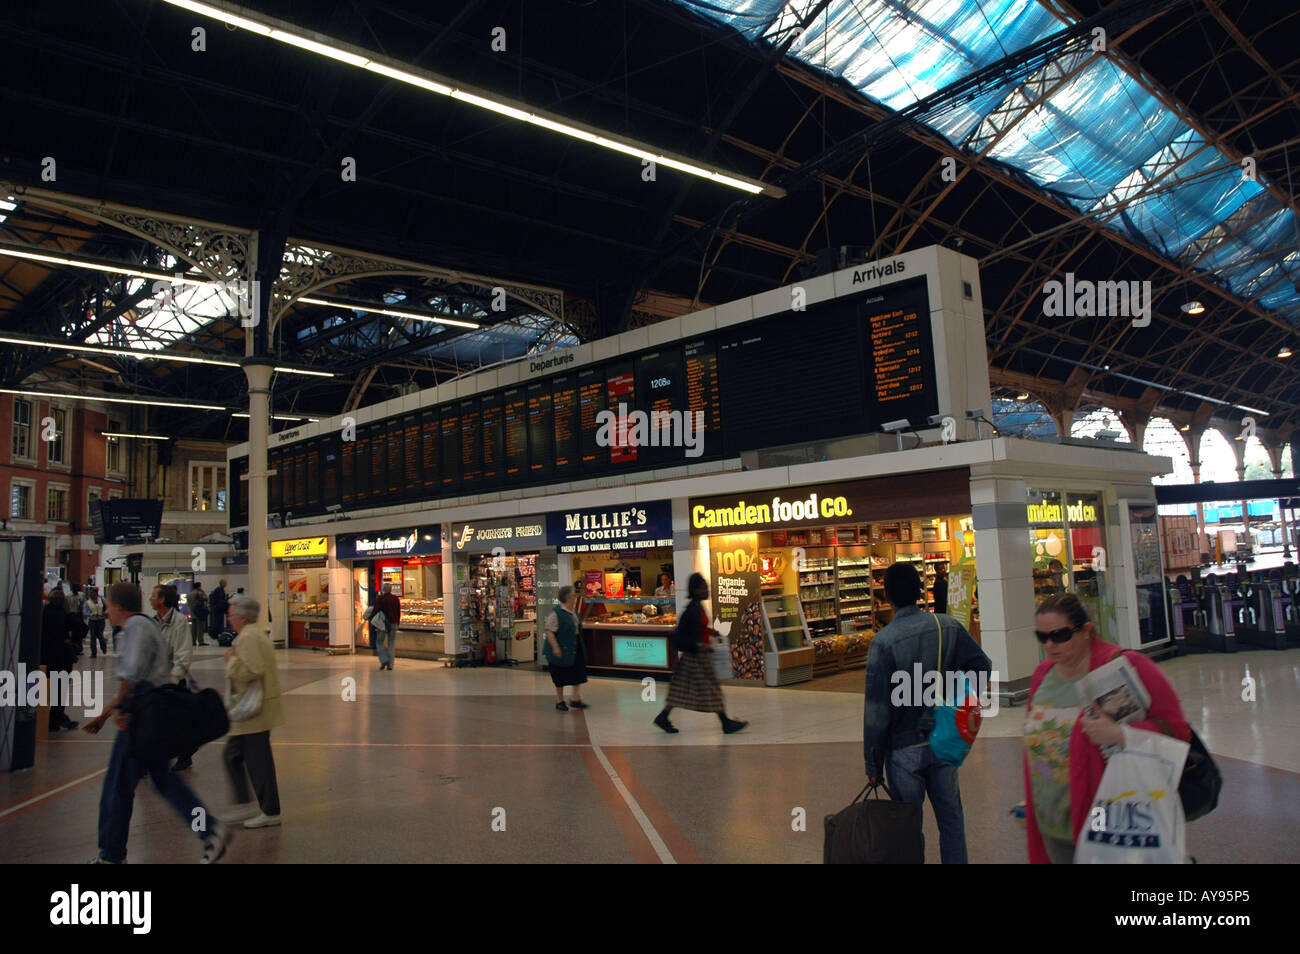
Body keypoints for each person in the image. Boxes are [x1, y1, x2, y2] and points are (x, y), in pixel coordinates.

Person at [1023, 592, 1190, 864]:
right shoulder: (1043, 675)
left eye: (1060, 635)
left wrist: (1121, 736)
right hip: (1051, 821)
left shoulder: (1124, 665)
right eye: (1043, 638)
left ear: (1086, 630)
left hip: (1111, 818)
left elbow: (1177, 730)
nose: (1050, 645)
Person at [83, 582, 232, 864]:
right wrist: (105, 714)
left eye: (109, 605)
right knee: (161, 780)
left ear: (119, 607)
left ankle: (112, 855)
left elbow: (133, 675)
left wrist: (119, 709)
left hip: (140, 713)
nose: (106, 611)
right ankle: (210, 831)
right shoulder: (143, 625)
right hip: (144, 710)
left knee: (118, 786)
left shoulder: (136, 628)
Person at [864, 562, 991, 864]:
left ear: (887, 596)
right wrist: (954, 700)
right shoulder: (946, 626)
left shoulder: (882, 643)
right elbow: (981, 667)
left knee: (908, 828)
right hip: (943, 741)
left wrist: (873, 762)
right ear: (920, 591)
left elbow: (877, 712)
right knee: (951, 821)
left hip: (903, 749)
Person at [654, 573, 747, 735]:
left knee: (680, 689)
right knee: (711, 688)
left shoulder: (697, 607)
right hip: (696, 656)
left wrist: (712, 632)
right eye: (703, 588)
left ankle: (663, 717)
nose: (707, 591)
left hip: (696, 655)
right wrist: (699, 646)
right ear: (696, 590)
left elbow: (699, 628)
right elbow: (683, 633)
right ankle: (725, 723)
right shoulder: (692, 609)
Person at [223, 594, 283, 829]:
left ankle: (269, 810)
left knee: (258, 762)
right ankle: (246, 803)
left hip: (254, 711)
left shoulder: (248, 637)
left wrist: (231, 661)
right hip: (254, 710)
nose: (229, 619)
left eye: (232, 615)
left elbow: (252, 669)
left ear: (243, 616)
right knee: (233, 755)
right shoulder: (254, 633)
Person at [542, 586, 587, 711]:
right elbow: (549, 631)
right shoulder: (556, 613)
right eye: (573, 595)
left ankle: (575, 698)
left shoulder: (573, 611)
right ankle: (560, 701)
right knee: (559, 674)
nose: (575, 597)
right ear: (568, 597)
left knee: (578, 671)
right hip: (561, 647)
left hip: (574, 645)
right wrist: (556, 647)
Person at [40, 590, 79, 731]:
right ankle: (56, 719)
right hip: (62, 657)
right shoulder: (65, 616)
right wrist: (70, 639)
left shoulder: (42, 614)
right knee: (59, 690)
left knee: (42, 691)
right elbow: (81, 628)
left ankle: (41, 718)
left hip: (44, 657)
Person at [370, 582, 402, 671]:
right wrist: (397, 623)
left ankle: (384, 659)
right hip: (393, 623)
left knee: (379, 642)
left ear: (383, 589)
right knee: (391, 644)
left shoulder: (380, 599)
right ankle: (390, 665)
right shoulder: (395, 599)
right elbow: (398, 612)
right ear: (391, 589)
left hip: (382, 624)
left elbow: (375, 611)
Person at [84, 586, 108, 658]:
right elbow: (85, 612)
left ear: (96, 593)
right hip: (92, 621)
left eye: (92, 593)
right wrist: (91, 614)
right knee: (93, 636)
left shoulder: (102, 600)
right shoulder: (88, 602)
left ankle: (103, 646)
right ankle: (93, 653)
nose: (91, 594)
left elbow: (106, 608)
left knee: (100, 635)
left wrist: (105, 613)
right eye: (90, 593)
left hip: (101, 620)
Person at [190, 582, 210, 646]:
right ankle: (200, 641)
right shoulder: (199, 593)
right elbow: (206, 598)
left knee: (193, 629)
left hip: (192, 613)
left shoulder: (189, 594)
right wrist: (203, 592)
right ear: (199, 587)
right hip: (199, 613)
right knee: (200, 628)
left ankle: (193, 641)